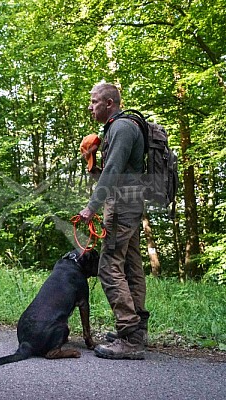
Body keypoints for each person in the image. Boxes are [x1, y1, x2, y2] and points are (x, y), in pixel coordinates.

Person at [79, 83, 150, 359]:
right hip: (130, 204)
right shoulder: (123, 127)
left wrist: (91, 207)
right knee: (131, 266)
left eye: (94, 101)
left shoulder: (121, 128)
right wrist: (92, 163)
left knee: (108, 266)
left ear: (109, 103)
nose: (90, 106)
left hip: (121, 207)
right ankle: (137, 328)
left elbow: (112, 173)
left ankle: (129, 336)